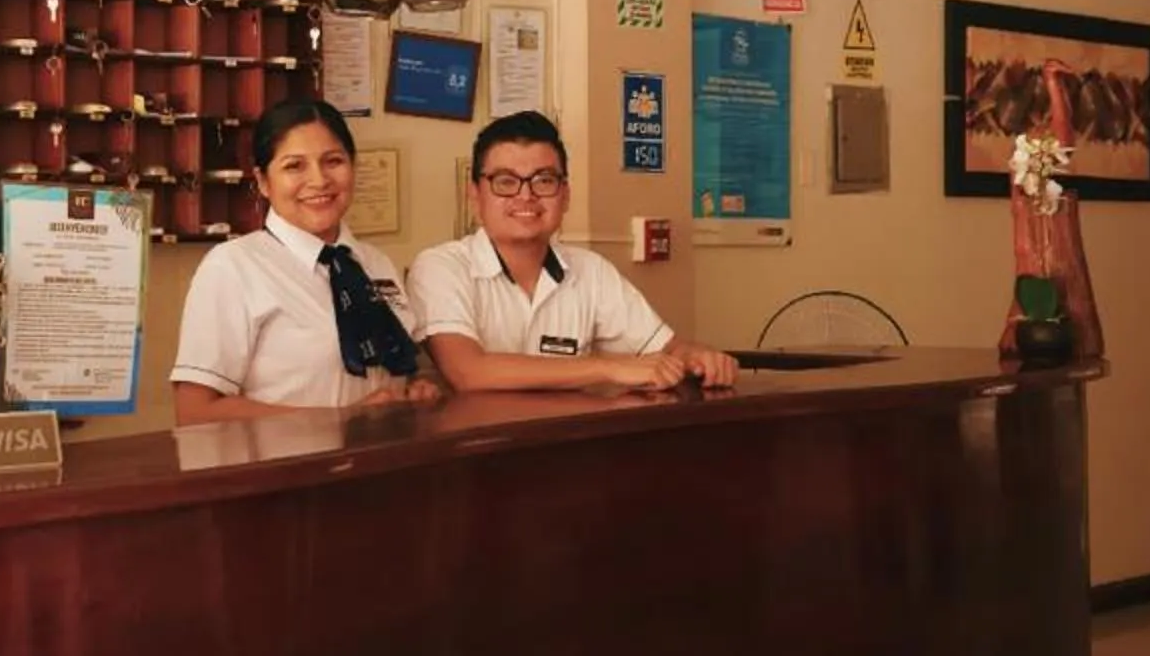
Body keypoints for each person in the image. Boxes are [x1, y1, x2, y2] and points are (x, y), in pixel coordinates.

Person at [407, 111, 741, 393]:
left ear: (565, 195)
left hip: (566, 454)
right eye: (506, 182)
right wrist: (608, 368)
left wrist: (697, 355)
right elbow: (469, 373)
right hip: (473, 462)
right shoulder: (440, 267)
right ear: (475, 195)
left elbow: (664, 350)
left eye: (544, 180)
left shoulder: (590, 271)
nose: (526, 196)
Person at [173, 100, 442, 422]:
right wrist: (339, 423)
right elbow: (195, 411)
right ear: (262, 181)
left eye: (333, 161)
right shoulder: (232, 267)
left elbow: (399, 369)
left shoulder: (375, 263)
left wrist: (419, 388)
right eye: (294, 166)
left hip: (383, 463)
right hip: (289, 469)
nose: (319, 180)